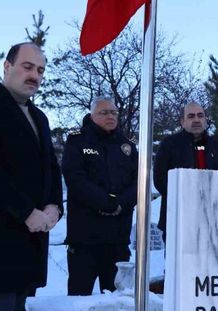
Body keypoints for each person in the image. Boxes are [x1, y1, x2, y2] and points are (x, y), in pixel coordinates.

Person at [0, 42, 63, 311]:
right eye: (27, 67)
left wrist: (54, 206)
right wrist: (27, 212)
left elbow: (51, 165)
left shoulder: (39, 117)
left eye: (40, 70)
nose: (35, 76)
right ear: (7, 67)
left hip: (32, 238)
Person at [61, 97, 138, 295]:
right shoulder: (77, 142)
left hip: (117, 238)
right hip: (85, 237)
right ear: (92, 115)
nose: (110, 116)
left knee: (118, 298)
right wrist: (107, 203)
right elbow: (75, 179)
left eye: (113, 112)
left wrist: (121, 203)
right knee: (79, 297)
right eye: (104, 112)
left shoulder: (127, 146)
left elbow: (139, 183)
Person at [154, 102, 218, 241]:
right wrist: (187, 196)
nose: (196, 120)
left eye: (200, 115)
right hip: (178, 217)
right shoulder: (169, 144)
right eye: (191, 116)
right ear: (182, 121)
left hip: (212, 219)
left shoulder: (217, 145)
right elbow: (160, 179)